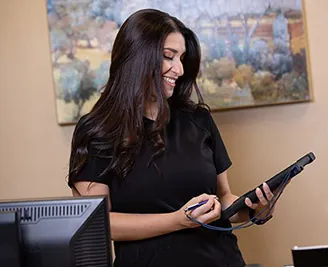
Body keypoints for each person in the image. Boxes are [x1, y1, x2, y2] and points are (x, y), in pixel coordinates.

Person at [68, 8, 275, 267]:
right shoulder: (97, 131)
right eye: (168, 57)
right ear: (136, 57)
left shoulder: (198, 120)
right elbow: (99, 223)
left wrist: (255, 210)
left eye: (182, 58)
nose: (178, 69)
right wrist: (178, 220)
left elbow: (224, 199)